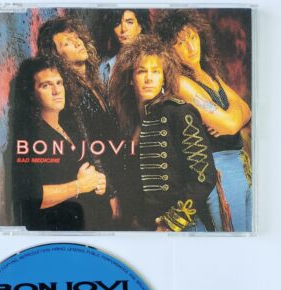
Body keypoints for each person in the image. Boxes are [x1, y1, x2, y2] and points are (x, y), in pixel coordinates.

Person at [154, 10, 252, 231]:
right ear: (168, 49)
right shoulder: (180, 82)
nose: (191, 47)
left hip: (240, 166)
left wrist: (232, 118)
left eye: (192, 37)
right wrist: (233, 118)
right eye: (180, 43)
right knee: (233, 239)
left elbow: (246, 109)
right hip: (220, 170)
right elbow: (231, 123)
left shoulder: (209, 75)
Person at [110, 35, 217, 231]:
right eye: (142, 71)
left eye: (156, 71)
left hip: (181, 228)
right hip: (143, 226)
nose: (149, 78)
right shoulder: (126, 120)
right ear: (130, 79)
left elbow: (204, 177)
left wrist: (171, 222)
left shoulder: (179, 112)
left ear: (164, 78)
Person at [37, 16, 120, 228]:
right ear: (56, 56)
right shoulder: (69, 91)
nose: (77, 42)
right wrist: (111, 193)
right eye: (66, 42)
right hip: (98, 188)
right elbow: (87, 142)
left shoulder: (91, 81)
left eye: (76, 37)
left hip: (111, 178)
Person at [9, 57, 106, 231]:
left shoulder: (68, 127)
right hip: (55, 229)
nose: (56, 91)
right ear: (31, 94)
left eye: (59, 83)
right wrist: (80, 186)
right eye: (46, 85)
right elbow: (30, 197)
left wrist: (98, 182)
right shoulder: (31, 137)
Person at [99, 9, 149, 87]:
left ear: (139, 27)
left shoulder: (153, 57)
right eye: (117, 24)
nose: (123, 29)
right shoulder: (105, 65)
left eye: (129, 22)